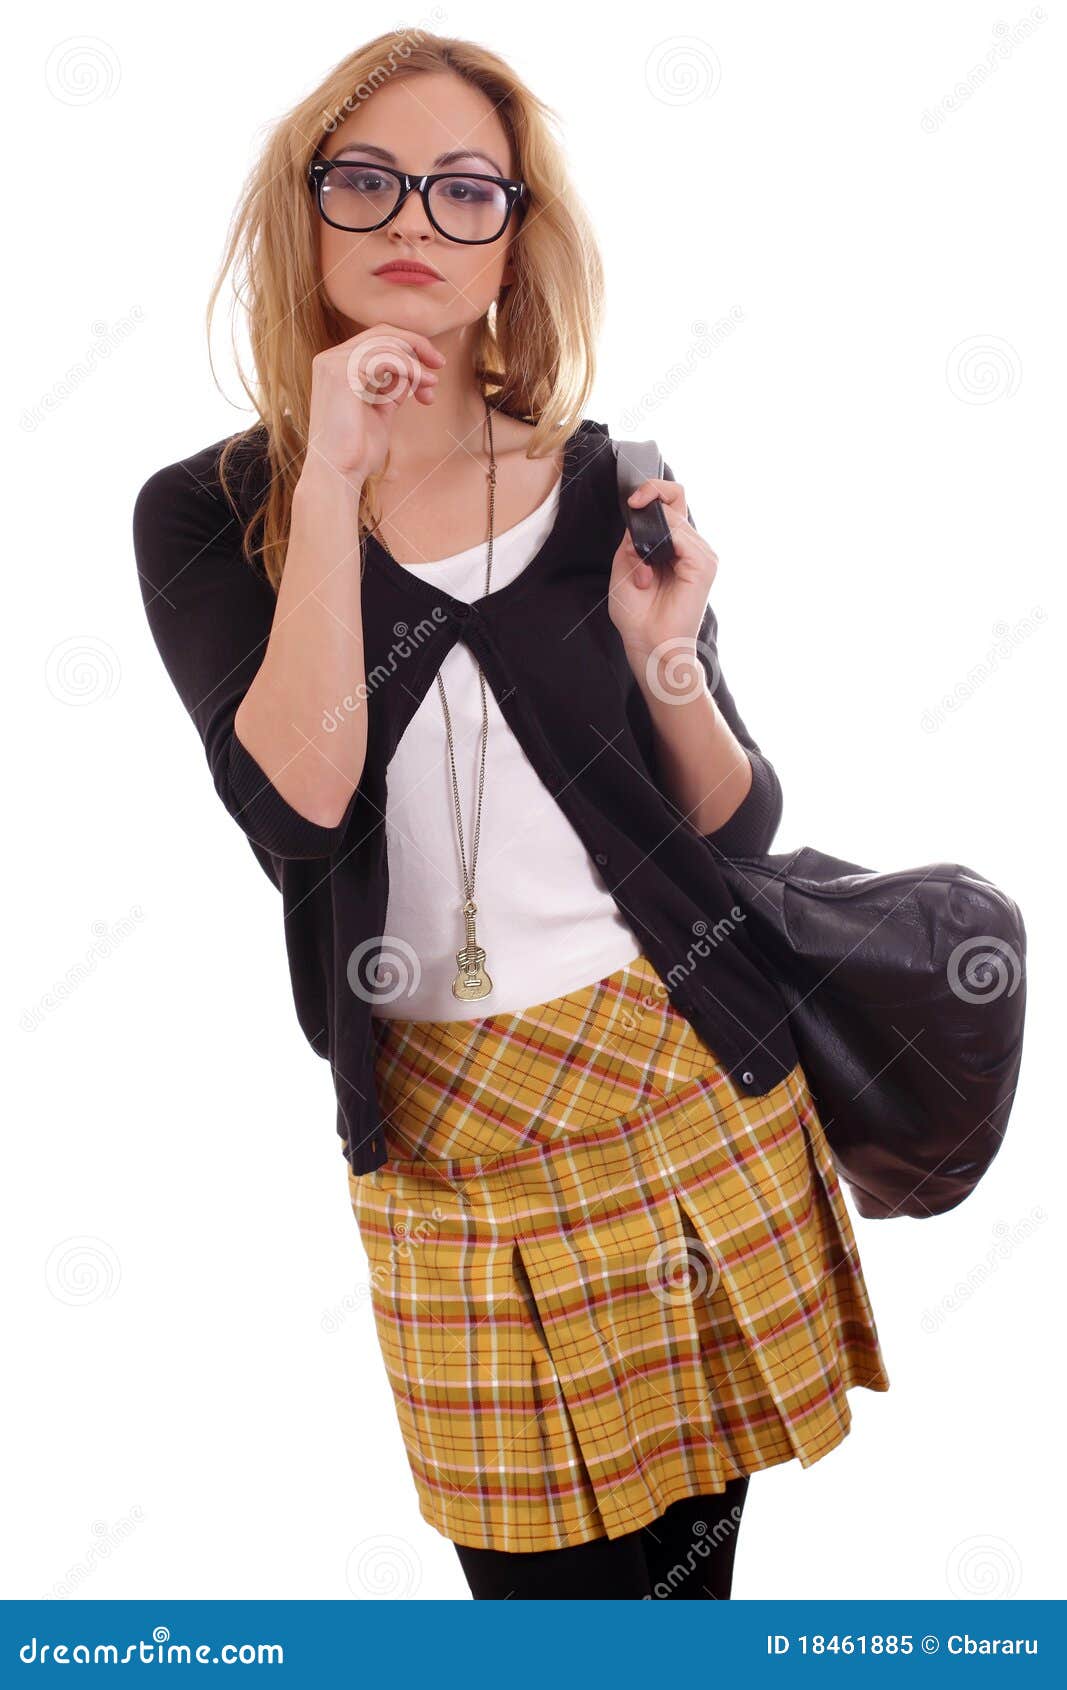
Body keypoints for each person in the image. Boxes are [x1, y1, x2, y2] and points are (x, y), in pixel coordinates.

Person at [133, 31, 890, 1601]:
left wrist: (664, 651)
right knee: (531, 1616)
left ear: (514, 239)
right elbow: (300, 801)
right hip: (446, 1145)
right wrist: (332, 475)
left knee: (686, 1607)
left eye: (465, 188)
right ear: (309, 214)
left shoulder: (614, 477)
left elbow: (734, 827)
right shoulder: (212, 513)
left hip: (682, 1092)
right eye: (369, 179)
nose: (414, 215)